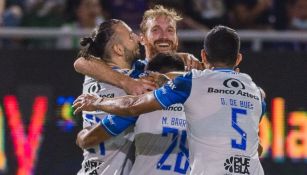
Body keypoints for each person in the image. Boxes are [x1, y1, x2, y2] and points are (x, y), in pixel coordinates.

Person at [73, 25, 266, 174]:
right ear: (238, 59)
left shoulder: (188, 86)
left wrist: (95, 102)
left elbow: (93, 134)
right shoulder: (256, 93)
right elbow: (255, 147)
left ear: (204, 55)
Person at [77, 53, 189, 175]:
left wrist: (95, 104)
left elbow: (87, 139)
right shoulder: (199, 105)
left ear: (151, 78)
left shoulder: (141, 106)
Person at [73, 5, 203, 95]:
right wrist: (127, 82)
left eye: (170, 31)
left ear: (177, 39)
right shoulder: (133, 70)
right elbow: (82, 62)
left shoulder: (193, 68)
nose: (164, 36)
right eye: (156, 30)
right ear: (142, 39)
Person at [76, 19, 143, 175]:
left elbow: (81, 62)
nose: (138, 38)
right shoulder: (136, 83)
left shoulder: (91, 77)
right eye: (131, 36)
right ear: (119, 49)